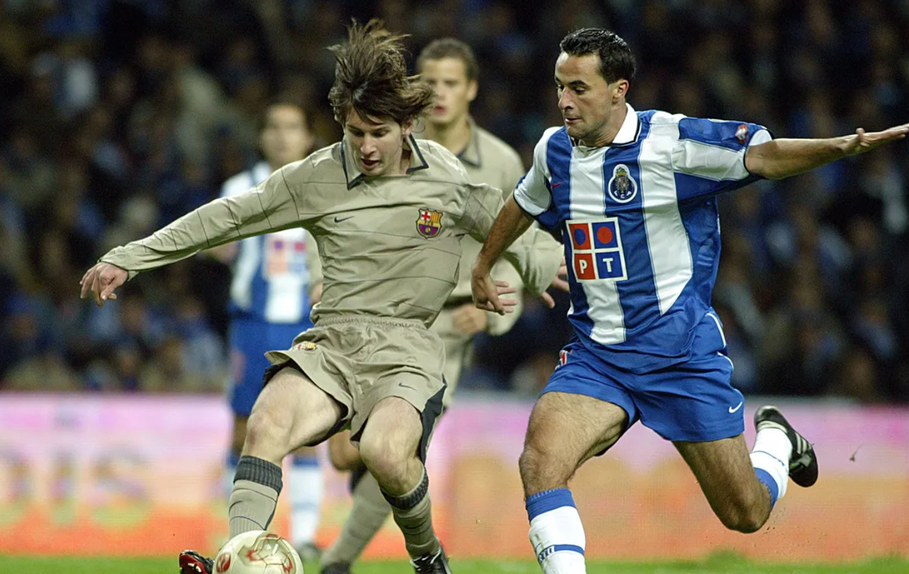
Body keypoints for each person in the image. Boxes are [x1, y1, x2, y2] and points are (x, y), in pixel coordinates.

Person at [80, 20, 562, 574]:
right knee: (266, 421)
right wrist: (132, 255)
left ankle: (428, 556)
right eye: (354, 131)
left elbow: (505, 221)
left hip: (408, 349)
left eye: (377, 132)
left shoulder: (446, 178)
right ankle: (240, 559)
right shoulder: (318, 175)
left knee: (385, 452)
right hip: (333, 340)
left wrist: (542, 264)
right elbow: (230, 217)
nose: (364, 146)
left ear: (408, 125)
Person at [470, 28, 909, 574]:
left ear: (617, 90)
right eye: (560, 86)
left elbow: (765, 157)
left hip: (679, 355)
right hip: (597, 357)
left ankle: (774, 439)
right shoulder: (554, 149)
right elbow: (524, 200)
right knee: (540, 462)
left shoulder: (671, 142)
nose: (564, 101)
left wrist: (839, 146)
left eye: (578, 88)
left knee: (744, 512)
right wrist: (484, 263)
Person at [320, 38, 558, 574]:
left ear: (471, 89)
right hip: (374, 313)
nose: (440, 93)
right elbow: (341, 214)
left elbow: (514, 236)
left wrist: (505, 304)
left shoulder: (498, 160)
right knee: (347, 452)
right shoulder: (390, 143)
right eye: (430, 82)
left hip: (449, 323)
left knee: (397, 452)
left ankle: (336, 562)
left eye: (452, 82)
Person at [209, 99, 324, 559]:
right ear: (261, 136)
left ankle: (308, 536)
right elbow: (215, 244)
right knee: (242, 426)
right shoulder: (239, 186)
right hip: (253, 324)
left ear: (308, 137)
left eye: (292, 127)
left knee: (310, 430)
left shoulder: (324, 185)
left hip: (306, 324)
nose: (281, 135)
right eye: (273, 126)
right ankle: (237, 537)